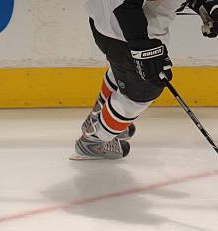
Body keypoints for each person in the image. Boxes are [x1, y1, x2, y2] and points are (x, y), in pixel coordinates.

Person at [72, 0, 218, 160]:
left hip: (107, 23)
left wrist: (204, 4)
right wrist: (142, 45)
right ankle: (95, 140)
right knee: (141, 91)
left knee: (123, 70)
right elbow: (125, 6)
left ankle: (97, 118)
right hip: (125, 30)